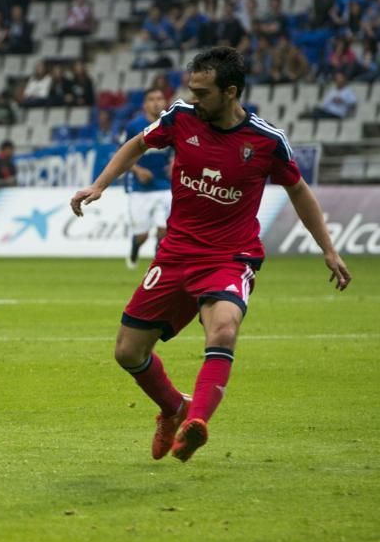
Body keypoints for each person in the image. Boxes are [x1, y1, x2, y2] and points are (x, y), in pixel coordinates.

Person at [70, 47, 351, 463]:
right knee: (128, 352)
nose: (194, 98)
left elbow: (298, 191)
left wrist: (328, 248)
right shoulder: (180, 118)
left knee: (222, 330)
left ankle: (195, 423)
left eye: (203, 92)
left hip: (230, 256)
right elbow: (136, 144)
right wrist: (100, 185)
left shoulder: (266, 140)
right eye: (192, 90)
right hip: (176, 253)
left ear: (230, 91)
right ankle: (174, 407)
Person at [123, 87, 173, 268]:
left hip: (165, 186)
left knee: (163, 231)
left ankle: (157, 268)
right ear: (145, 104)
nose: (156, 102)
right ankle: (135, 247)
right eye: (152, 99)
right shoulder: (134, 126)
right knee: (142, 235)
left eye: (160, 98)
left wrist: (176, 161)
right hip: (140, 188)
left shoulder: (170, 124)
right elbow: (122, 155)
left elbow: (179, 148)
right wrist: (137, 170)